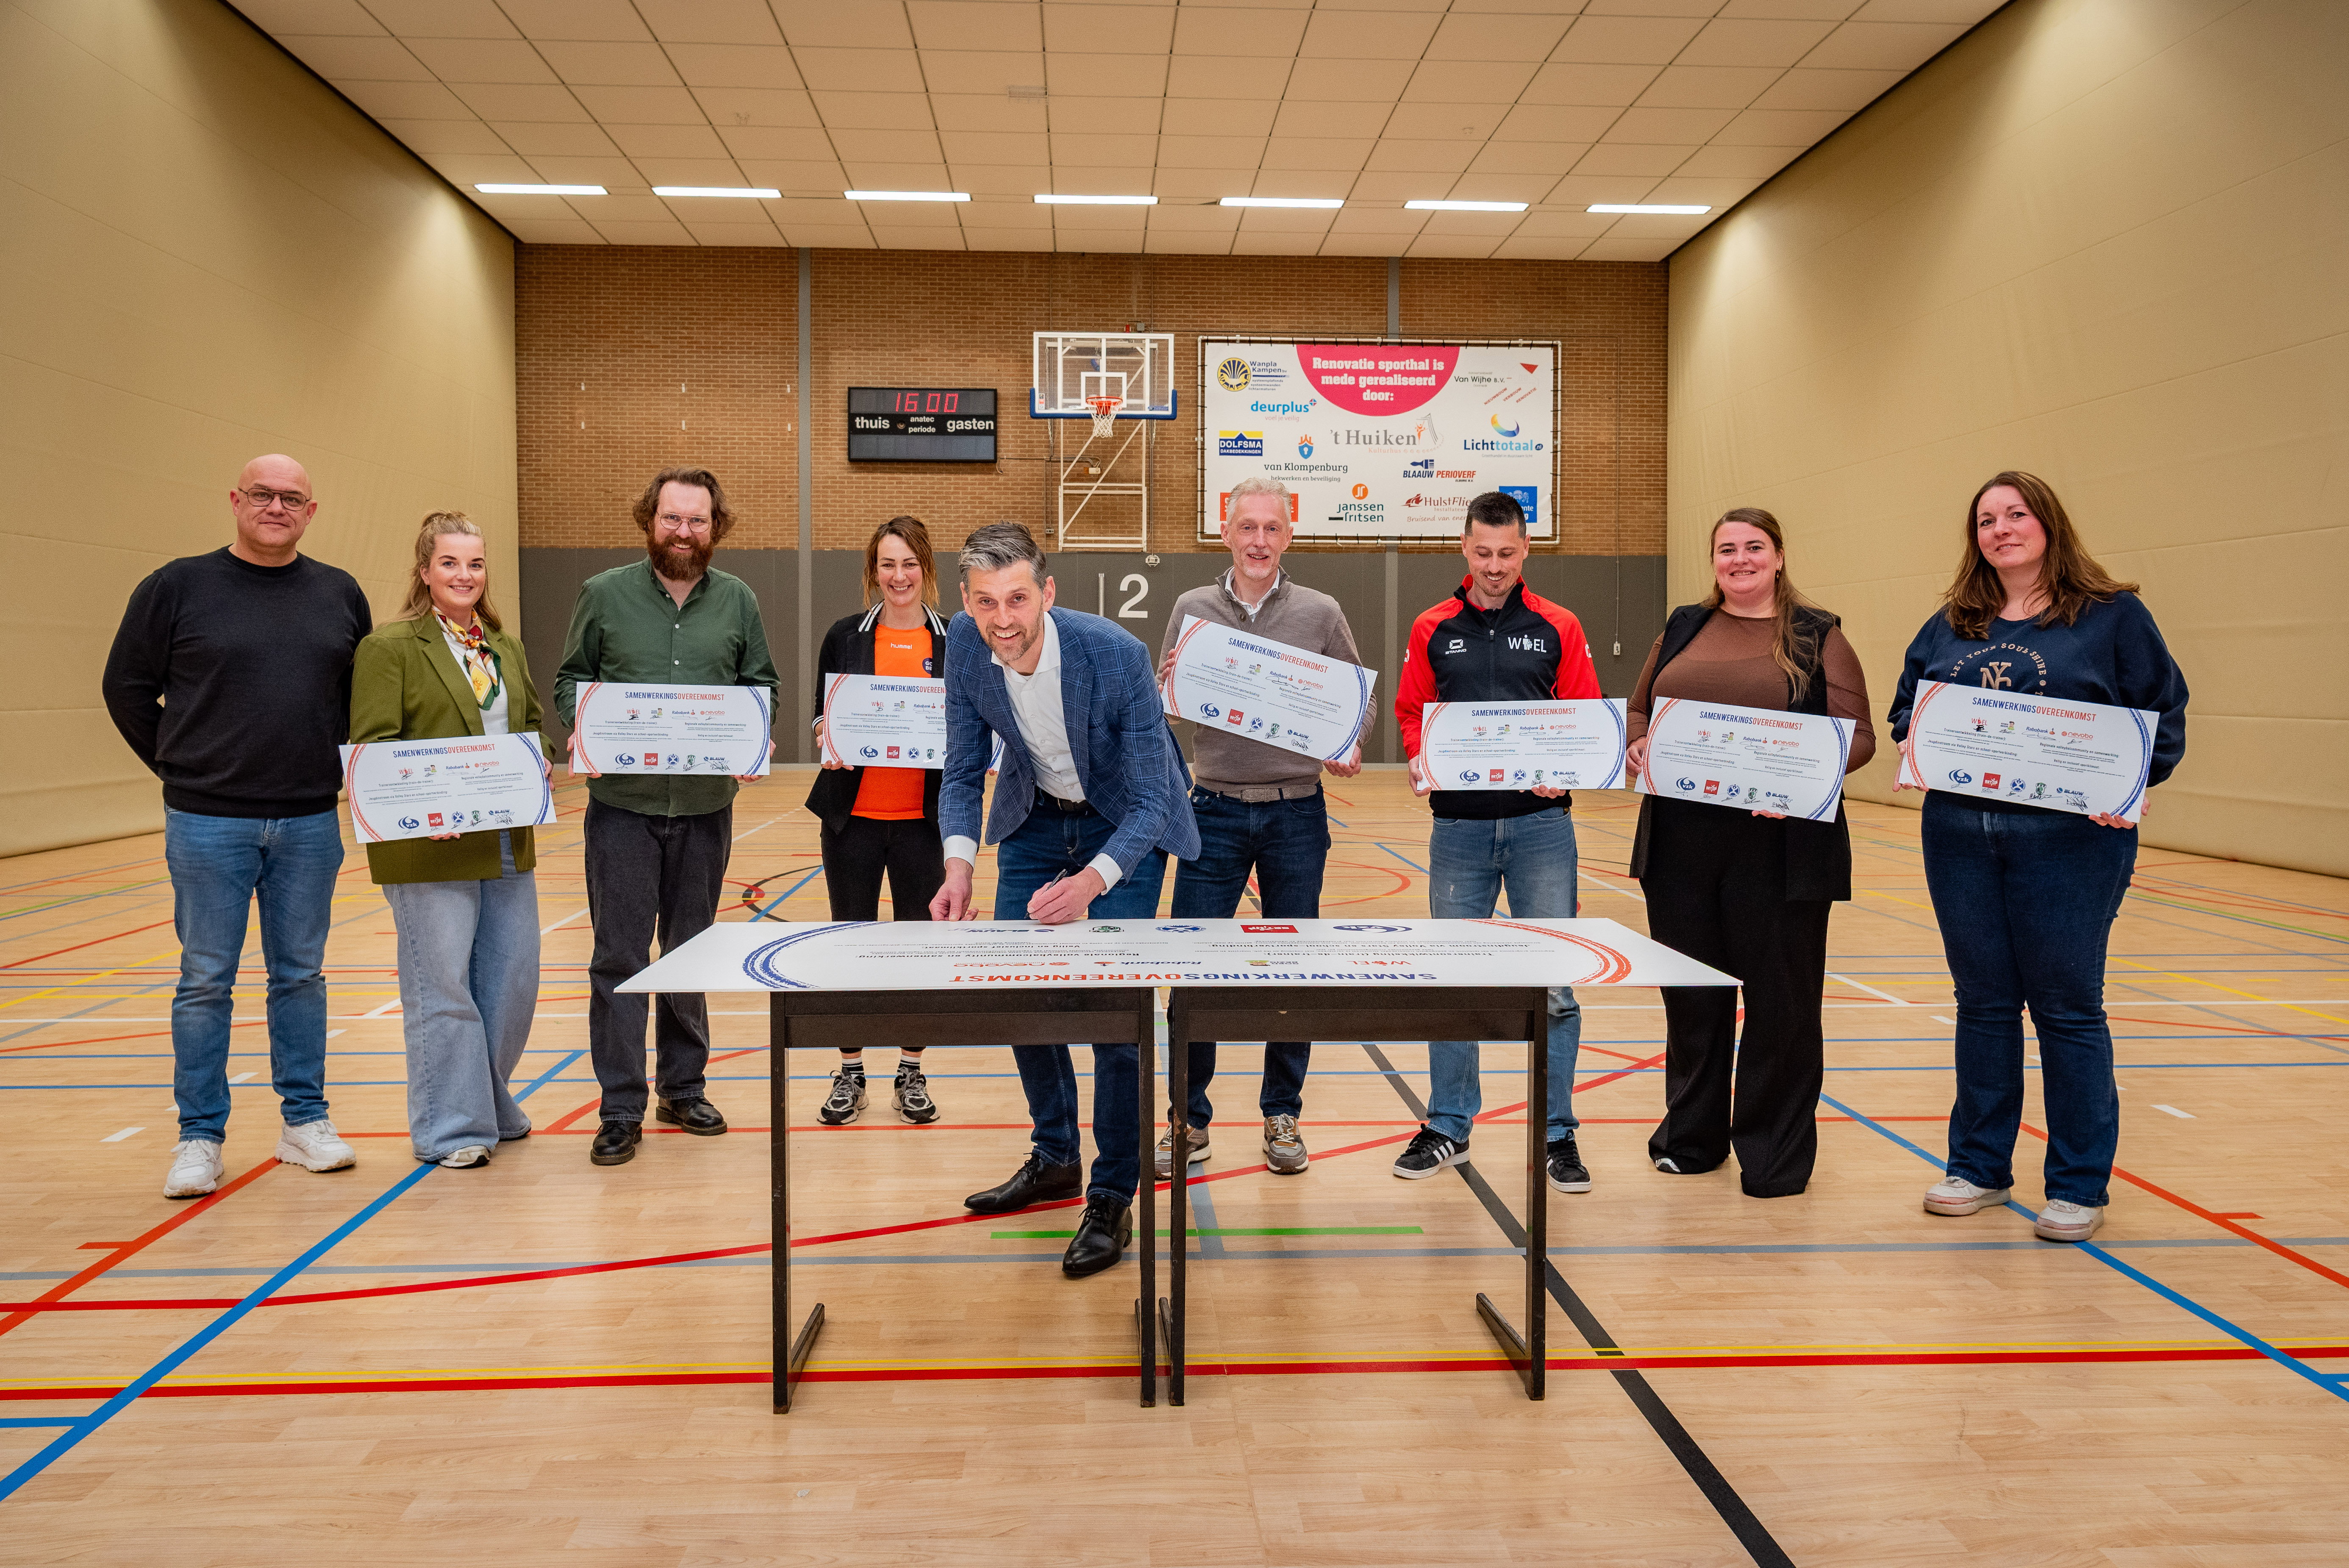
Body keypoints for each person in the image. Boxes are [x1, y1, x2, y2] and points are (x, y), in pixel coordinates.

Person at [1891, 471, 2188, 1243]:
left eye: (2015, 514)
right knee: (1983, 1002)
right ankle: (1980, 1166)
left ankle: (2080, 1184)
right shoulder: (1955, 622)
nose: (2001, 529)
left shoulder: (2112, 617)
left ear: (2048, 523)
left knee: (2066, 1005)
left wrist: (2127, 782)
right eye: (1986, 520)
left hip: (2071, 842)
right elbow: (1906, 707)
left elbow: (2162, 711)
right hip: (1959, 835)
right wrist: (1919, 741)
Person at [932, 522, 1199, 1279]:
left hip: (1126, 822)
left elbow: (1155, 794)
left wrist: (1094, 882)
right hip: (1034, 818)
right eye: (986, 601)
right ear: (966, 601)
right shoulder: (962, 644)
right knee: (1023, 996)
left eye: (1018, 597)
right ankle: (1056, 1154)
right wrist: (958, 867)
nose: (1003, 618)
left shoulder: (1113, 653)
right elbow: (959, 770)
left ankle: (1114, 1189)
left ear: (1047, 593)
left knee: (1116, 1015)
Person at [101, 455, 371, 1198]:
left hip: (311, 819)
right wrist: (180, 766)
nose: (276, 506)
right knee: (204, 979)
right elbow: (125, 686)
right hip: (207, 821)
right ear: (235, 501)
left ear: (311, 511)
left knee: (301, 977)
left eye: (291, 498)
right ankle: (200, 1136)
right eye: (262, 494)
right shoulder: (177, 586)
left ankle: (304, 1123)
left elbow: (358, 703)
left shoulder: (339, 593)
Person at [1625, 508, 1875, 1199]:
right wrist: (1638, 741)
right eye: (1727, 549)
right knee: (1694, 999)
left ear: (1780, 556)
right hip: (1681, 842)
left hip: (1783, 845)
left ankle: (1773, 1153)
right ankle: (1692, 1139)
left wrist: (1801, 783)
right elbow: (1640, 709)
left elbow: (1858, 737)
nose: (1740, 559)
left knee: (1782, 1006)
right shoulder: (1684, 625)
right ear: (1714, 561)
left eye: (1753, 547)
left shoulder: (1817, 633)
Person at [555, 466, 779, 1168]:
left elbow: (761, 683)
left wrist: (755, 732)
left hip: (707, 808)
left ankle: (683, 1087)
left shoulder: (737, 600)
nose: (685, 532)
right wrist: (581, 725)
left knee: (689, 953)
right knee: (619, 957)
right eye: (673, 519)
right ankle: (620, 1105)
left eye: (699, 521)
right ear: (649, 520)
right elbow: (571, 679)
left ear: (717, 526)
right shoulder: (604, 594)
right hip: (623, 807)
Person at [1153, 477, 1364, 1179]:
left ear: (1289, 536)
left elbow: (1354, 701)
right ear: (1226, 531)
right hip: (1210, 809)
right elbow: (1166, 700)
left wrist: (1348, 741)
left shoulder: (1321, 611)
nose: (1260, 541)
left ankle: (1283, 1113)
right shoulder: (1192, 608)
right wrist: (1172, 690)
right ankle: (1188, 1118)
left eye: (1273, 529)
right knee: (1192, 970)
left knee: (1293, 973)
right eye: (1248, 527)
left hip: (1297, 811)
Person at [1392, 490, 1600, 1194]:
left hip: (1543, 830)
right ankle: (1449, 1123)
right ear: (1464, 547)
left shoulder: (1558, 625)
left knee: (1556, 985)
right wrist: (1421, 758)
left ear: (1526, 551)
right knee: (1454, 980)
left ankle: (1557, 1133)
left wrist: (1561, 768)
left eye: (1506, 554)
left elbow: (1582, 714)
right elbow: (1412, 711)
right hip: (1458, 831)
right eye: (1482, 553)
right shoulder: (1432, 626)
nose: (1494, 567)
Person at [348, 516, 546, 1168]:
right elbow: (374, 748)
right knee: (444, 987)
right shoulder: (391, 647)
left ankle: (487, 1099)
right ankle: (452, 1127)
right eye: (452, 563)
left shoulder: (503, 647)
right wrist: (431, 802)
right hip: (430, 844)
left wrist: (538, 762)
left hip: (505, 838)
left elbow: (533, 724)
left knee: (513, 982)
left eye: (477, 564)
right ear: (426, 569)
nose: (466, 576)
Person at [807, 516, 952, 1126]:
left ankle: (911, 1071)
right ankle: (850, 1073)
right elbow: (823, 717)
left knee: (918, 951)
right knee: (852, 947)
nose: (900, 576)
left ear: (927, 570)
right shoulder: (845, 635)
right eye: (888, 564)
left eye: (910, 563)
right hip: (854, 821)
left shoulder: (956, 639)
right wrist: (826, 732)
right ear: (873, 572)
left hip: (926, 823)